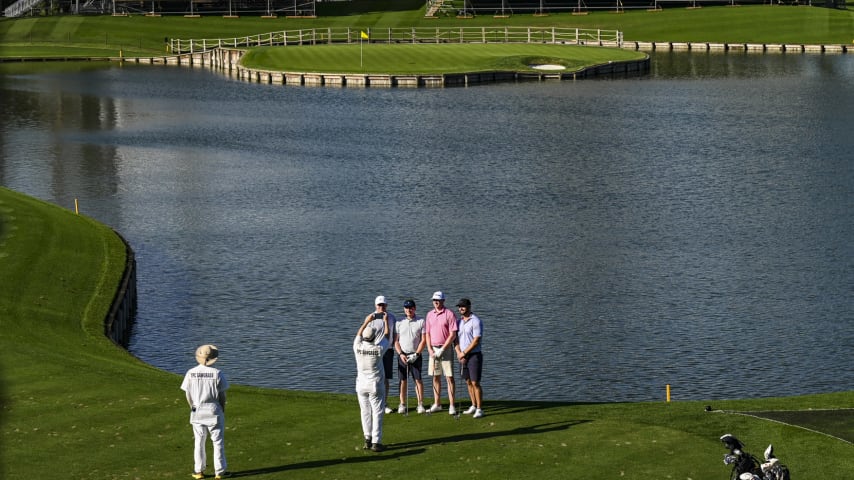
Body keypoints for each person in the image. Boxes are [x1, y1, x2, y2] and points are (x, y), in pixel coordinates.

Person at [181, 344, 231, 480]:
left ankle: (199, 471)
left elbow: (188, 394)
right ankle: (219, 472)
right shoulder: (217, 373)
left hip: (197, 409)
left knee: (199, 441)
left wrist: (192, 406)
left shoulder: (191, 372)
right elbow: (222, 395)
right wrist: (222, 408)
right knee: (217, 441)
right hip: (213, 409)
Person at [353, 325, 389, 452]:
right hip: (375, 385)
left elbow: (358, 335)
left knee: (365, 412)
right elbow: (387, 337)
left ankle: (367, 439)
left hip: (361, 385)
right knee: (377, 412)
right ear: (374, 338)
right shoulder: (378, 349)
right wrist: (385, 321)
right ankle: (376, 442)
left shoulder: (357, 347)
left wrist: (366, 322)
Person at [424, 291, 458, 415]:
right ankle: (437, 404)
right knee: (435, 377)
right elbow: (427, 333)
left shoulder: (449, 314)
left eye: (438, 300)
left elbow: (453, 334)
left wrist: (443, 349)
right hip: (433, 349)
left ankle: (452, 405)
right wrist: (429, 349)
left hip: (446, 349)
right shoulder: (429, 315)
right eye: (434, 300)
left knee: (449, 377)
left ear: (443, 301)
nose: (436, 302)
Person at [362, 295, 397, 414]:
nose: (381, 307)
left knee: (386, 378)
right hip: (374, 351)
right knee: (374, 377)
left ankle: (384, 403)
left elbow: (394, 334)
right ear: (375, 305)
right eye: (379, 305)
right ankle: (372, 403)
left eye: (383, 305)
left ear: (386, 305)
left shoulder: (392, 317)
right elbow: (365, 335)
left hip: (388, 351)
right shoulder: (370, 318)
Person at [394, 298, 426, 414]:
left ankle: (420, 404)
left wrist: (417, 354)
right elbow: (396, 341)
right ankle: (402, 404)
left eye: (411, 308)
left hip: (416, 355)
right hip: (403, 355)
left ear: (415, 308)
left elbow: (424, 340)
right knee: (403, 380)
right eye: (407, 308)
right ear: (404, 309)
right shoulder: (399, 322)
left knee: (418, 379)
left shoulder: (421, 321)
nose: (409, 310)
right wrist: (401, 354)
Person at [454, 298, 484, 418]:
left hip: (474, 355)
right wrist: (458, 352)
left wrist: (464, 352)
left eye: (463, 306)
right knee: (467, 381)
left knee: (475, 382)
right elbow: (455, 338)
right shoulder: (458, 322)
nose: (461, 308)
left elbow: (476, 340)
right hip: (462, 355)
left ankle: (479, 408)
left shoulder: (475, 321)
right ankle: (473, 404)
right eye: (459, 306)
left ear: (469, 307)